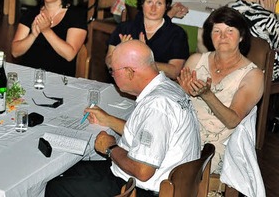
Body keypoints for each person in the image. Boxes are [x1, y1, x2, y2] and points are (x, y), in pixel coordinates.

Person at [46, 40, 200, 196]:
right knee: (65, 170)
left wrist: (110, 147)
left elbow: (143, 171)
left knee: (56, 187)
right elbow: (147, 134)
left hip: (142, 188)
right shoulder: (168, 87)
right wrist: (108, 119)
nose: (111, 75)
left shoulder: (157, 106)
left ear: (130, 72)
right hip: (170, 181)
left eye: (113, 71)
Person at [178, 7, 264, 173]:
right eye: (217, 30)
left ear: (242, 36)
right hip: (184, 133)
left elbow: (232, 121)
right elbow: (175, 104)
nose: (223, 36)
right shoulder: (196, 61)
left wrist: (207, 95)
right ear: (210, 35)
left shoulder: (253, 75)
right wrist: (181, 92)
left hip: (214, 146)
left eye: (230, 31)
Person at [11, 0, 87, 76]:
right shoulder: (31, 14)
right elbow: (15, 52)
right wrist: (33, 35)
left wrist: (46, 30)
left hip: (59, 79)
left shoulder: (75, 17)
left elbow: (69, 54)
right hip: (29, 76)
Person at [108, 0, 189, 80]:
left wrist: (143, 59)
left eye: (159, 3)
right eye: (149, 2)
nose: (153, 8)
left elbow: (174, 72)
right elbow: (109, 61)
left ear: (166, 6)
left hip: (159, 85)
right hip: (126, 82)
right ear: (142, 4)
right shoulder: (125, 28)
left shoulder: (177, 34)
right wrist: (121, 53)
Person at [230, 0, 279, 81]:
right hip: (261, 74)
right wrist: (272, 14)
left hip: (230, 66)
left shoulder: (227, 11)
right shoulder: (266, 17)